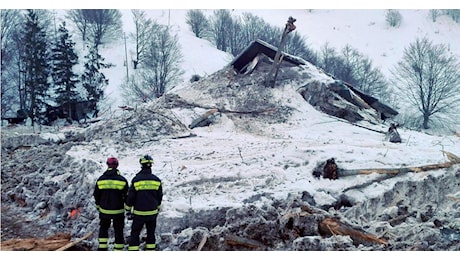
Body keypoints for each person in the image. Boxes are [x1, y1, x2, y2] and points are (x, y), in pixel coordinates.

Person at [125, 155, 163, 251]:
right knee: (151, 233)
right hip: (152, 213)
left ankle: (133, 251)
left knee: (135, 233)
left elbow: (131, 197)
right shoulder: (156, 180)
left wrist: (128, 209)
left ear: (141, 165)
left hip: (139, 213)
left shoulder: (136, 180)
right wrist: (157, 207)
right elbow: (159, 196)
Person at [93, 157, 129, 251]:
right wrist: (127, 207)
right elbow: (127, 195)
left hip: (104, 210)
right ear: (117, 165)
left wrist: (98, 206)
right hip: (118, 211)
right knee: (118, 230)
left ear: (107, 165)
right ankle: (118, 250)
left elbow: (96, 195)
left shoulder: (101, 180)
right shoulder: (122, 180)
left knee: (104, 228)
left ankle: (102, 248)